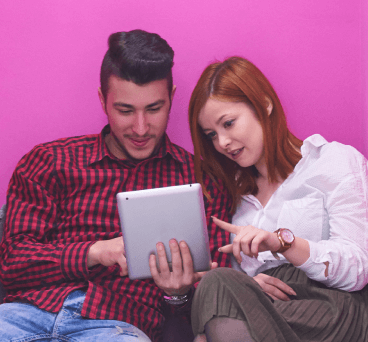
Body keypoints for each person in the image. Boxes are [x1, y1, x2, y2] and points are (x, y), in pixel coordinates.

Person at [0, 30, 232, 342]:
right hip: (23, 315)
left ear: (172, 99)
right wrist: (94, 252)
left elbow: (210, 303)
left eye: (153, 109)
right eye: (125, 110)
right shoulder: (49, 161)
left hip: (116, 327)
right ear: (102, 100)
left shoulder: (203, 184)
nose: (140, 128)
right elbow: (12, 264)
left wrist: (176, 294)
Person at [188, 56, 368, 342]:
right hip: (267, 312)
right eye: (212, 134)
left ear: (264, 104)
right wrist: (249, 286)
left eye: (229, 123)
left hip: (329, 307)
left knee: (218, 298)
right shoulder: (232, 194)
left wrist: (283, 242)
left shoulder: (333, 161)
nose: (222, 142)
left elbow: (358, 270)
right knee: (217, 286)